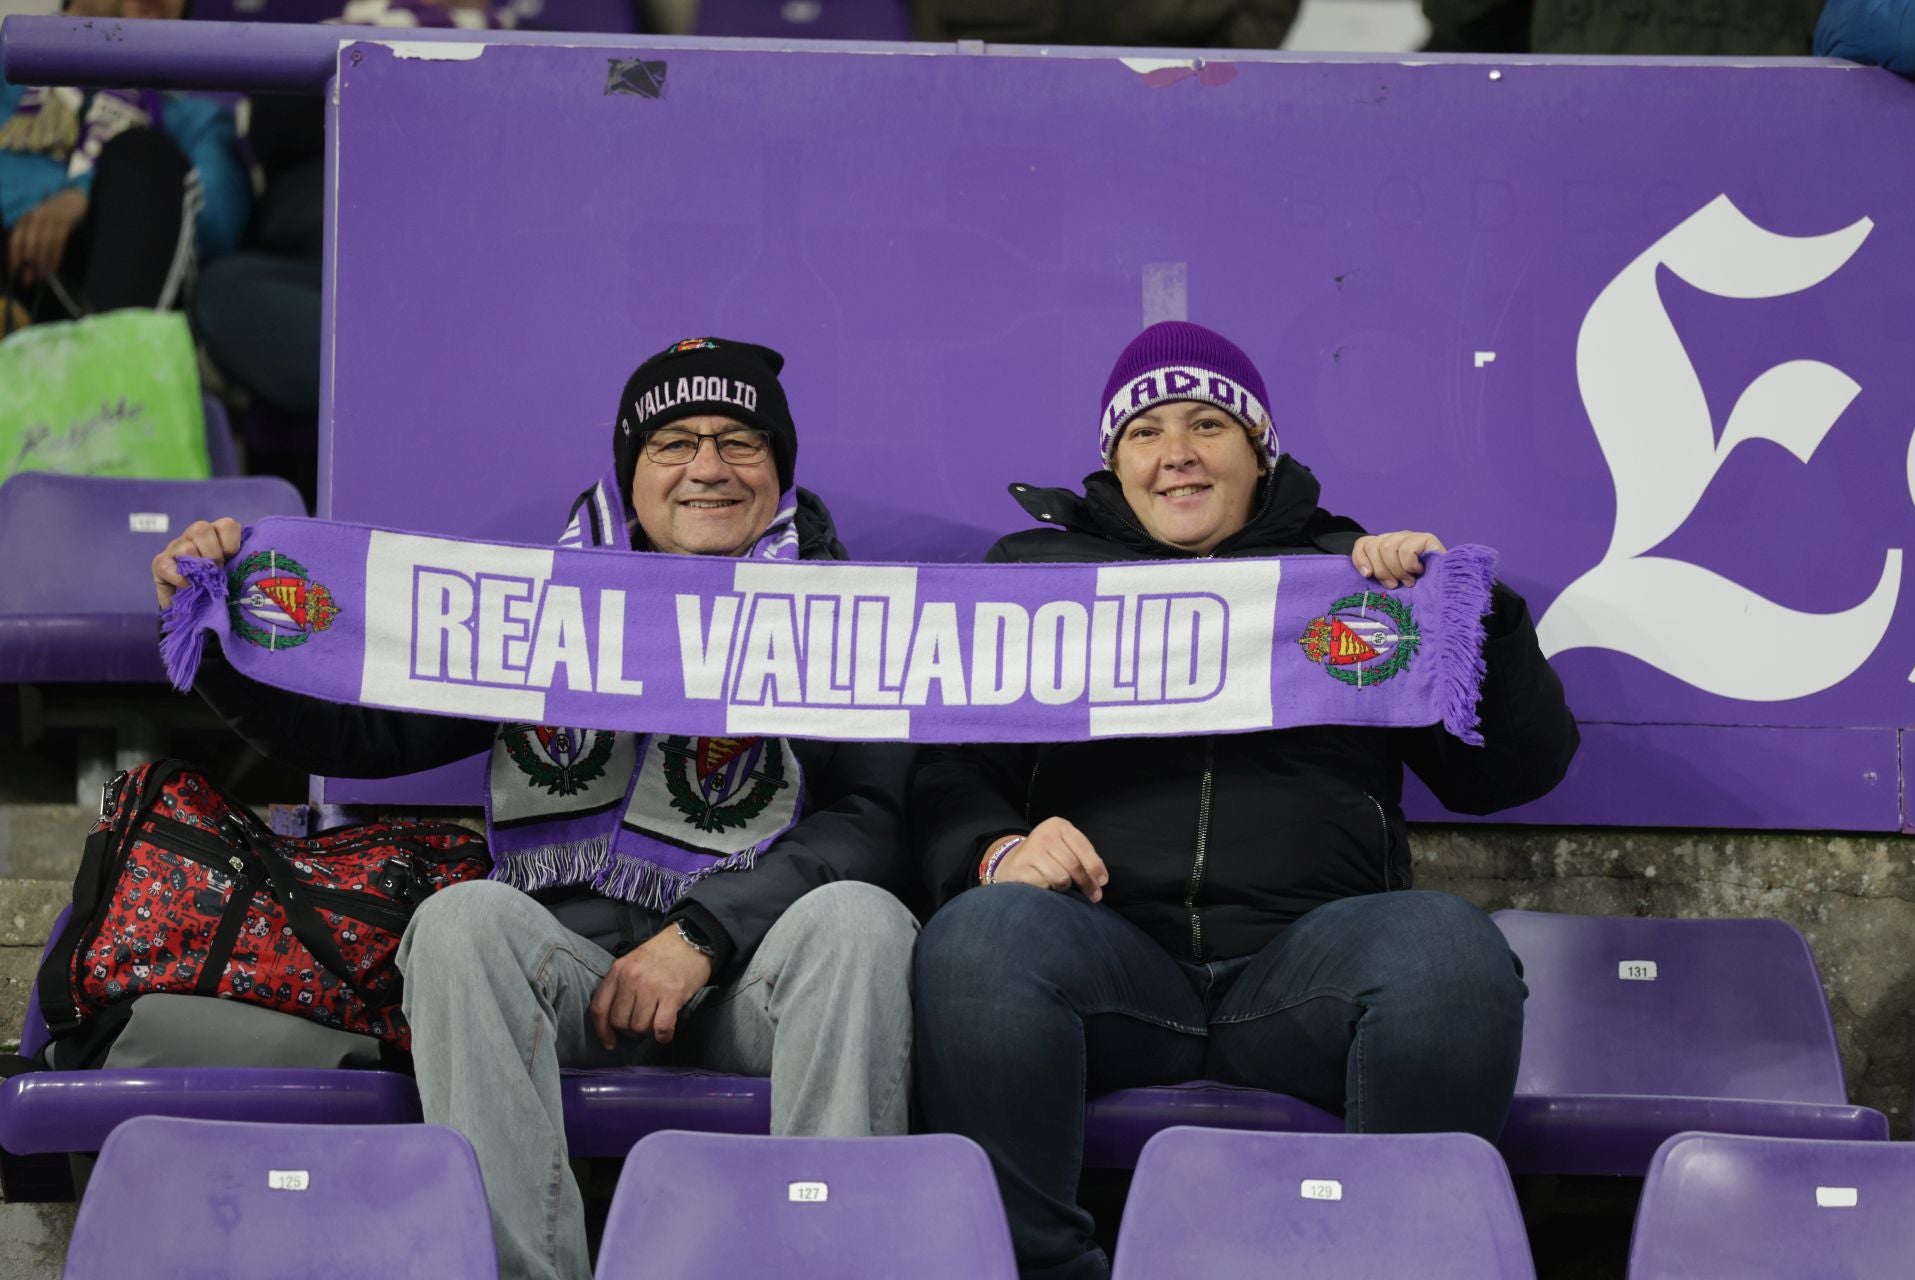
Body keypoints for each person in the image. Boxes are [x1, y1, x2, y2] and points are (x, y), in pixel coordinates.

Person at [152, 337, 919, 1280]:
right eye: (675, 442)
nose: (709, 467)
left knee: (863, 921)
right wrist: (226, 629)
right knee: (460, 922)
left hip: (754, 984)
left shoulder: (850, 614)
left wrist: (704, 934)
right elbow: (363, 737)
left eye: (740, 440)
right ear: (630, 475)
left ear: (780, 468)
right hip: (566, 977)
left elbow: (875, 820)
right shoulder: (535, 609)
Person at [909, 321, 1579, 1280]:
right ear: (1114, 460)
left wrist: (1470, 614)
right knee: (980, 937)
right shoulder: (1038, 582)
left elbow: (1513, 773)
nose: (1175, 453)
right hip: (1109, 959)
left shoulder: (1353, 579)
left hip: (1304, 970)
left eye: (1208, 424)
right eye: (1145, 432)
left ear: (1259, 451)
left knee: (1446, 952)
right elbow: (945, 771)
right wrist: (997, 848)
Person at [0, 0, 246, 325]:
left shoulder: (195, 119)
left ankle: (107, 366)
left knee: (143, 157)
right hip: (13, 269)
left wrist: (84, 197)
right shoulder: (11, 73)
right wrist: (60, 199)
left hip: (112, 293)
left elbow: (217, 224)